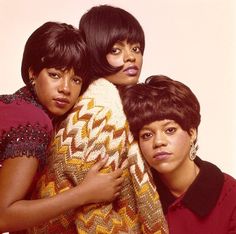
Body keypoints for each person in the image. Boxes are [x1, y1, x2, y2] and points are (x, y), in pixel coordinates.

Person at [30, 5, 168, 234]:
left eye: (136, 48)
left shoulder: (91, 98)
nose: (131, 57)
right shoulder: (103, 109)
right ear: (95, 53)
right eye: (116, 50)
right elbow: (94, 212)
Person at [0, 21, 124, 233]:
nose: (65, 88)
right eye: (55, 75)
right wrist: (84, 193)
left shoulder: (11, 104)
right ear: (33, 73)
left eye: (76, 80)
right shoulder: (33, 123)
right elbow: (3, 217)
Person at [121, 74, 236, 233]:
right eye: (147, 135)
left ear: (192, 133)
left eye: (170, 130)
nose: (159, 142)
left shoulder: (230, 195)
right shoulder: (134, 197)